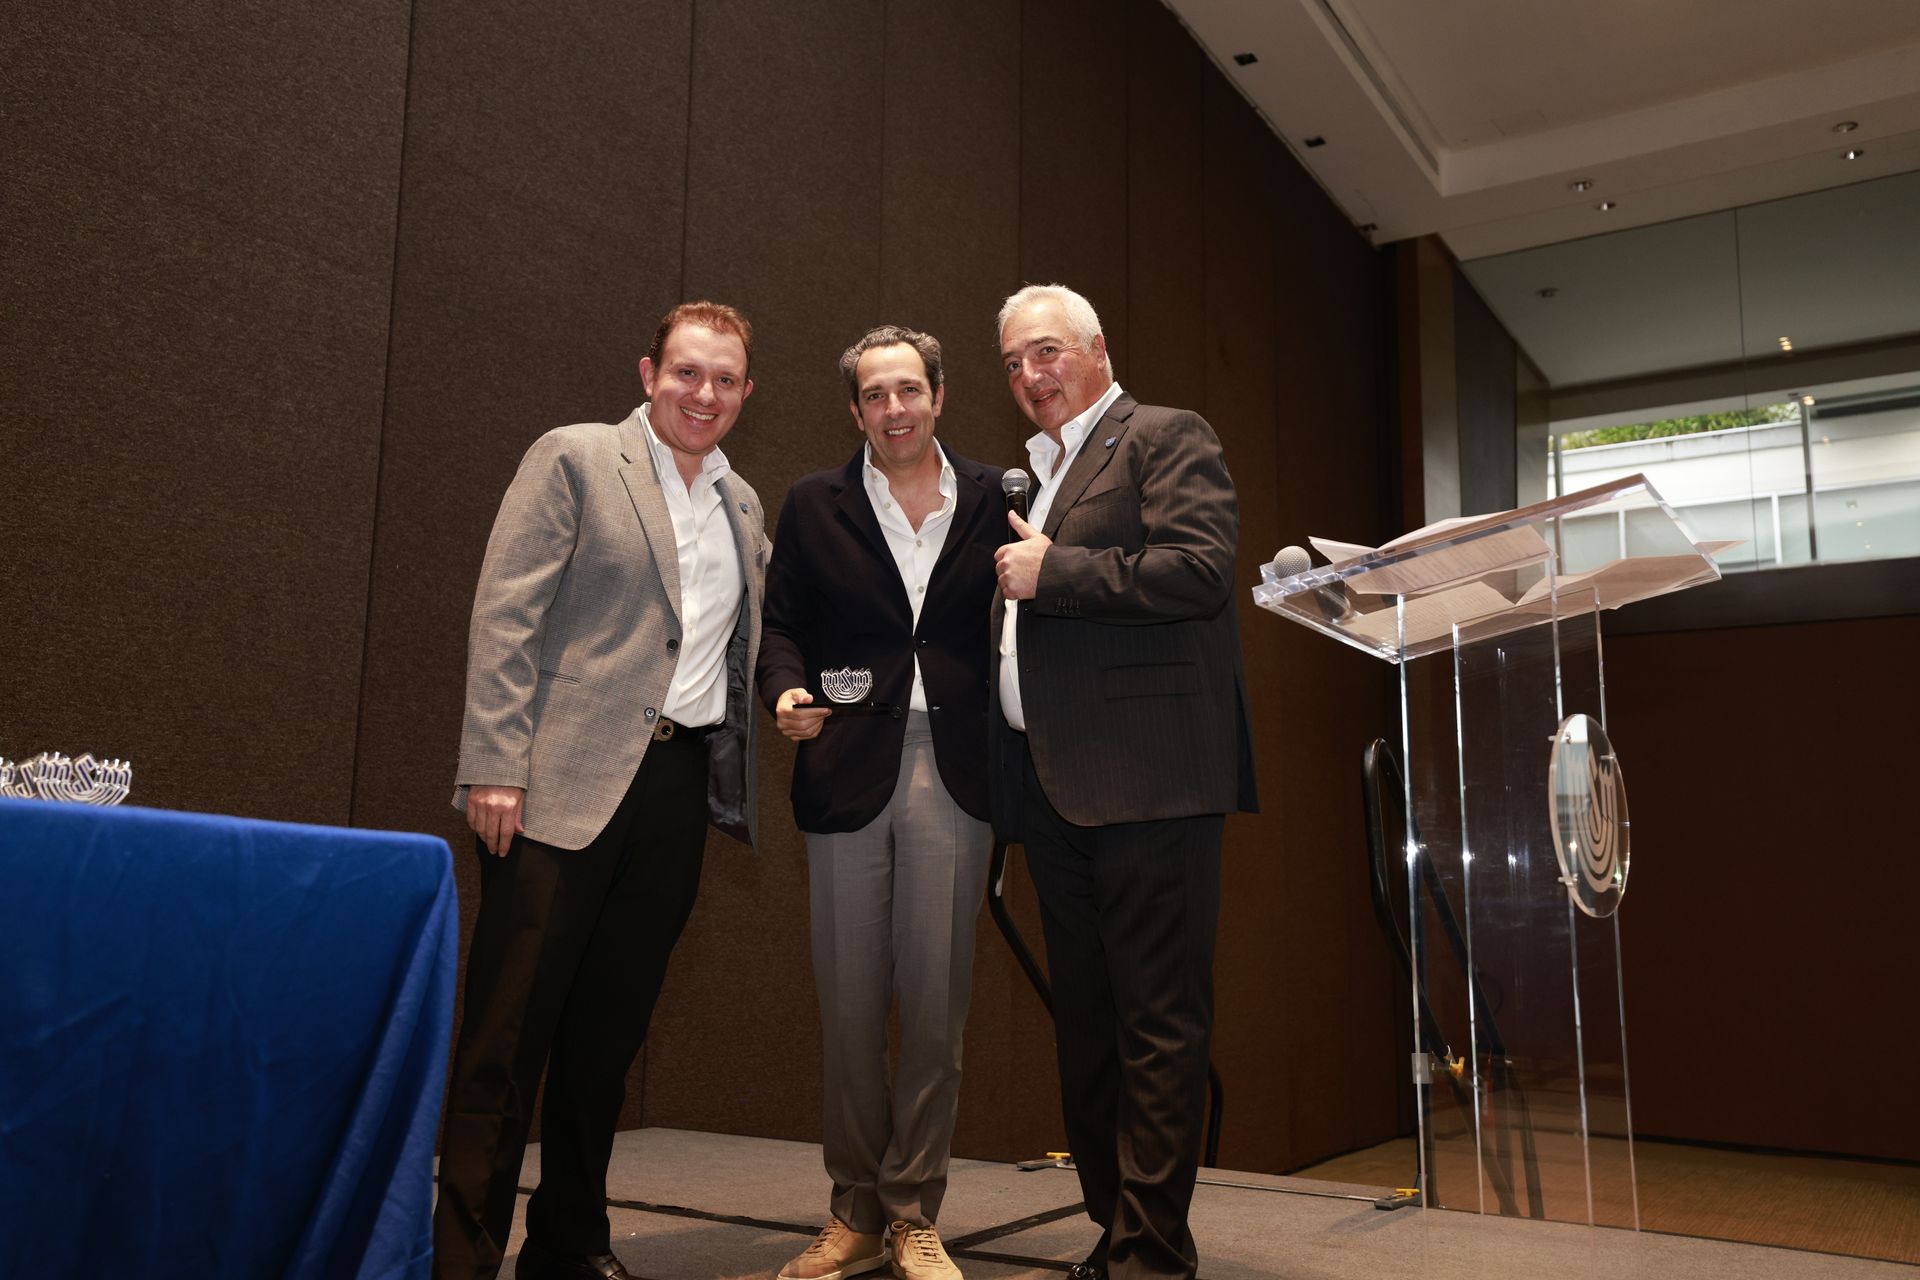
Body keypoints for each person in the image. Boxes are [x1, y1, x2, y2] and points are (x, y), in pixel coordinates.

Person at [436, 301, 769, 1280]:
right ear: (649, 373)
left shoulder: (745, 506)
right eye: (687, 372)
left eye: (725, 379)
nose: (704, 393)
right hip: (557, 783)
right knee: (507, 1036)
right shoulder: (576, 457)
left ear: (747, 393)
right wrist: (496, 763)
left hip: (677, 792)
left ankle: (569, 1242)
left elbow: (750, 643)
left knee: (607, 1038)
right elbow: (507, 615)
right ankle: (461, 1255)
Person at [988, 284, 1256, 1280]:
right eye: (1013, 363)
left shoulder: (1164, 434)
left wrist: (1052, 571)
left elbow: (1199, 569)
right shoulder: (1039, 471)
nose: (1030, 375)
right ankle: (1118, 1229)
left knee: (1156, 1025)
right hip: (1057, 790)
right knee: (1089, 1029)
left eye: (1046, 351)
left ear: (1097, 348)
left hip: (1151, 782)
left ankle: (1152, 1252)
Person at [757, 325, 1003, 1280]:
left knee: (936, 1008)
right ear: (854, 410)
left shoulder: (999, 497)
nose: (893, 409)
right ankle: (853, 1210)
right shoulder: (812, 504)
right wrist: (784, 690)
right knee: (851, 1009)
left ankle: (913, 1211)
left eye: (909, 390)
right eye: (874, 395)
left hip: (958, 770)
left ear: (939, 396)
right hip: (845, 765)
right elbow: (782, 625)